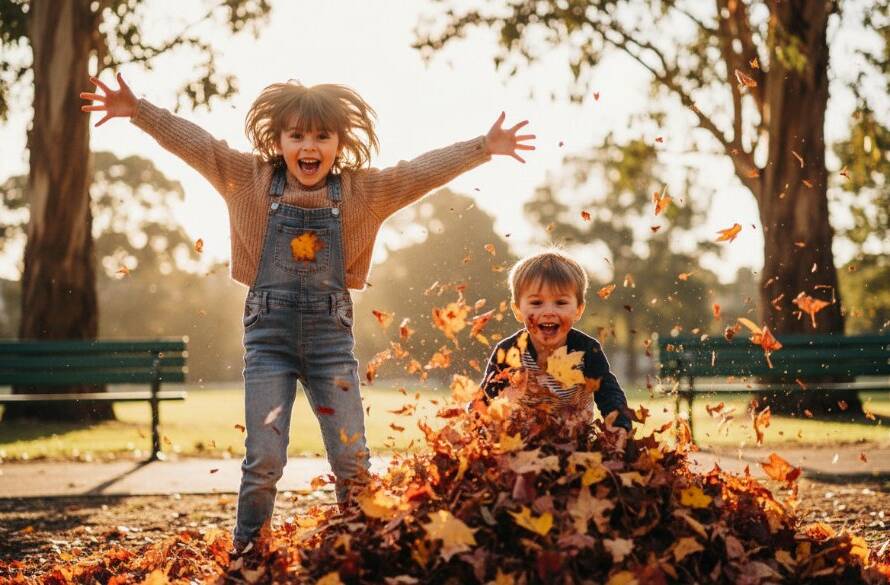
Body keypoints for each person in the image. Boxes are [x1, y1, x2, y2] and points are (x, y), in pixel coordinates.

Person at [81, 73, 535, 551]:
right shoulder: (247, 181)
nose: (309, 146)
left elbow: (420, 170)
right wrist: (139, 111)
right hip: (268, 345)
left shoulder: (365, 193)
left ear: (340, 142)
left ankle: (359, 548)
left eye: (321, 135)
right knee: (264, 461)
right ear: (277, 141)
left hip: (331, 348)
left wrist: (483, 146)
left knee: (352, 460)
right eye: (296, 135)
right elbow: (199, 144)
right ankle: (248, 551)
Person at [479, 250, 633, 431]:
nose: (548, 312)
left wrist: (620, 427)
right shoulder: (508, 352)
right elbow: (483, 400)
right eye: (536, 303)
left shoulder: (586, 350)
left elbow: (609, 394)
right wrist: (476, 430)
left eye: (560, 303)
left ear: (578, 309)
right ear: (518, 310)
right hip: (521, 440)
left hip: (574, 440)